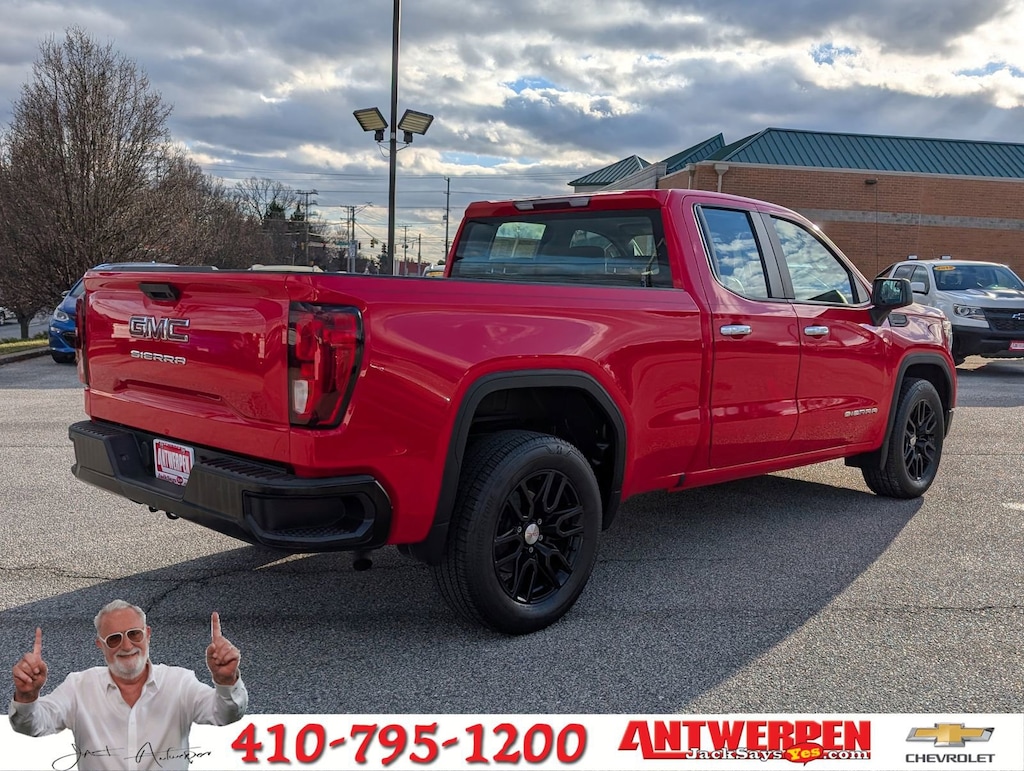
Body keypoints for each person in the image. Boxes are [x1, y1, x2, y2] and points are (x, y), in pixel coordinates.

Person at [9, 599, 247, 771]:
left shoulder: (179, 683)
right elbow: (33, 725)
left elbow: (225, 714)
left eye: (134, 634)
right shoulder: (78, 687)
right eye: (114, 639)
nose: (126, 646)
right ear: (100, 645)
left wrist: (226, 680)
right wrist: (27, 695)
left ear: (147, 634)